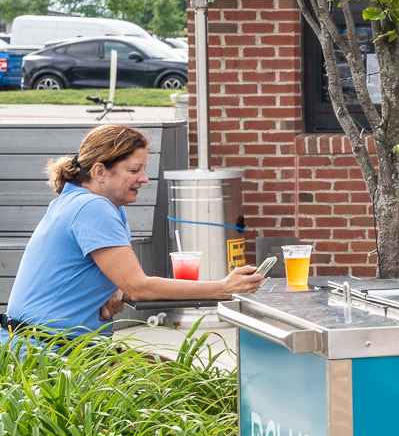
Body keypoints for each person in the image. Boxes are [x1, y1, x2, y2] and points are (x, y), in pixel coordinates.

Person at [3, 125, 261, 338]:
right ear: (100, 171)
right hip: (46, 354)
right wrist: (222, 288)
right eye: (134, 170)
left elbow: (107, 277)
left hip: (48, 343)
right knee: (183, 387)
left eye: (144, 169)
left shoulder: (83, 201)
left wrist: (113, 289)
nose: (144, 178)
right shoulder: (92, 207)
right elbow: (139, 288)